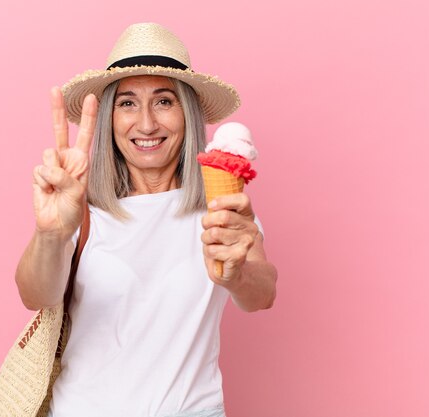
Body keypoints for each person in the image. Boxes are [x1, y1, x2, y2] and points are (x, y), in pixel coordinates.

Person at [15, 23, 277, 417]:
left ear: (187, 113)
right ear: (109, 119)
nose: (147, 124)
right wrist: (50, 234)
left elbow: (262, 294)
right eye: (127, 103)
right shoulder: (80, 211)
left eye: (164, 101)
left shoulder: (223, 211)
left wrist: (237, 274)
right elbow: (34, 294)